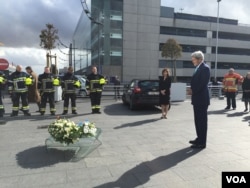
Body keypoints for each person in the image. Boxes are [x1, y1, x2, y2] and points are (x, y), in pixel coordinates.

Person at [188, 51, 210, 149]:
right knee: (197, 120)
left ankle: (202, 142)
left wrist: (193, 91)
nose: (192, 61)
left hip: (201, 99)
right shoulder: (198, 68)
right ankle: (199, 138)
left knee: (202, 121)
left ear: (200, 59)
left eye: (194, 59)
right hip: (197, 98)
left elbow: (202, 84)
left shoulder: (205, 68)